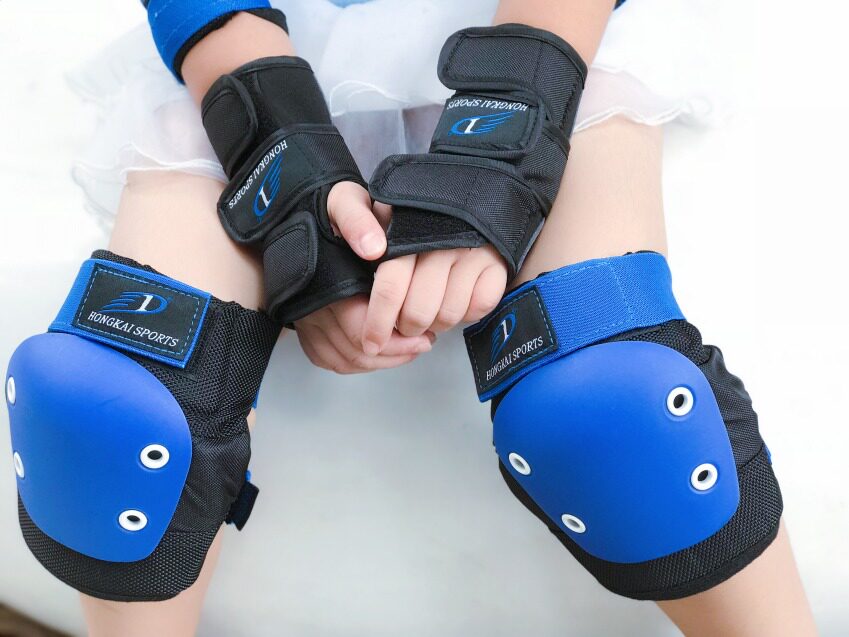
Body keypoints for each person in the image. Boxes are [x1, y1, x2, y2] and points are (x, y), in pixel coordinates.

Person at [7, 1, 816, 635]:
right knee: (110, 408)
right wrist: (280, 155)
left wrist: (501, 144)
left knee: (613, 404)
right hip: (256, 47)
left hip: (545, 29)